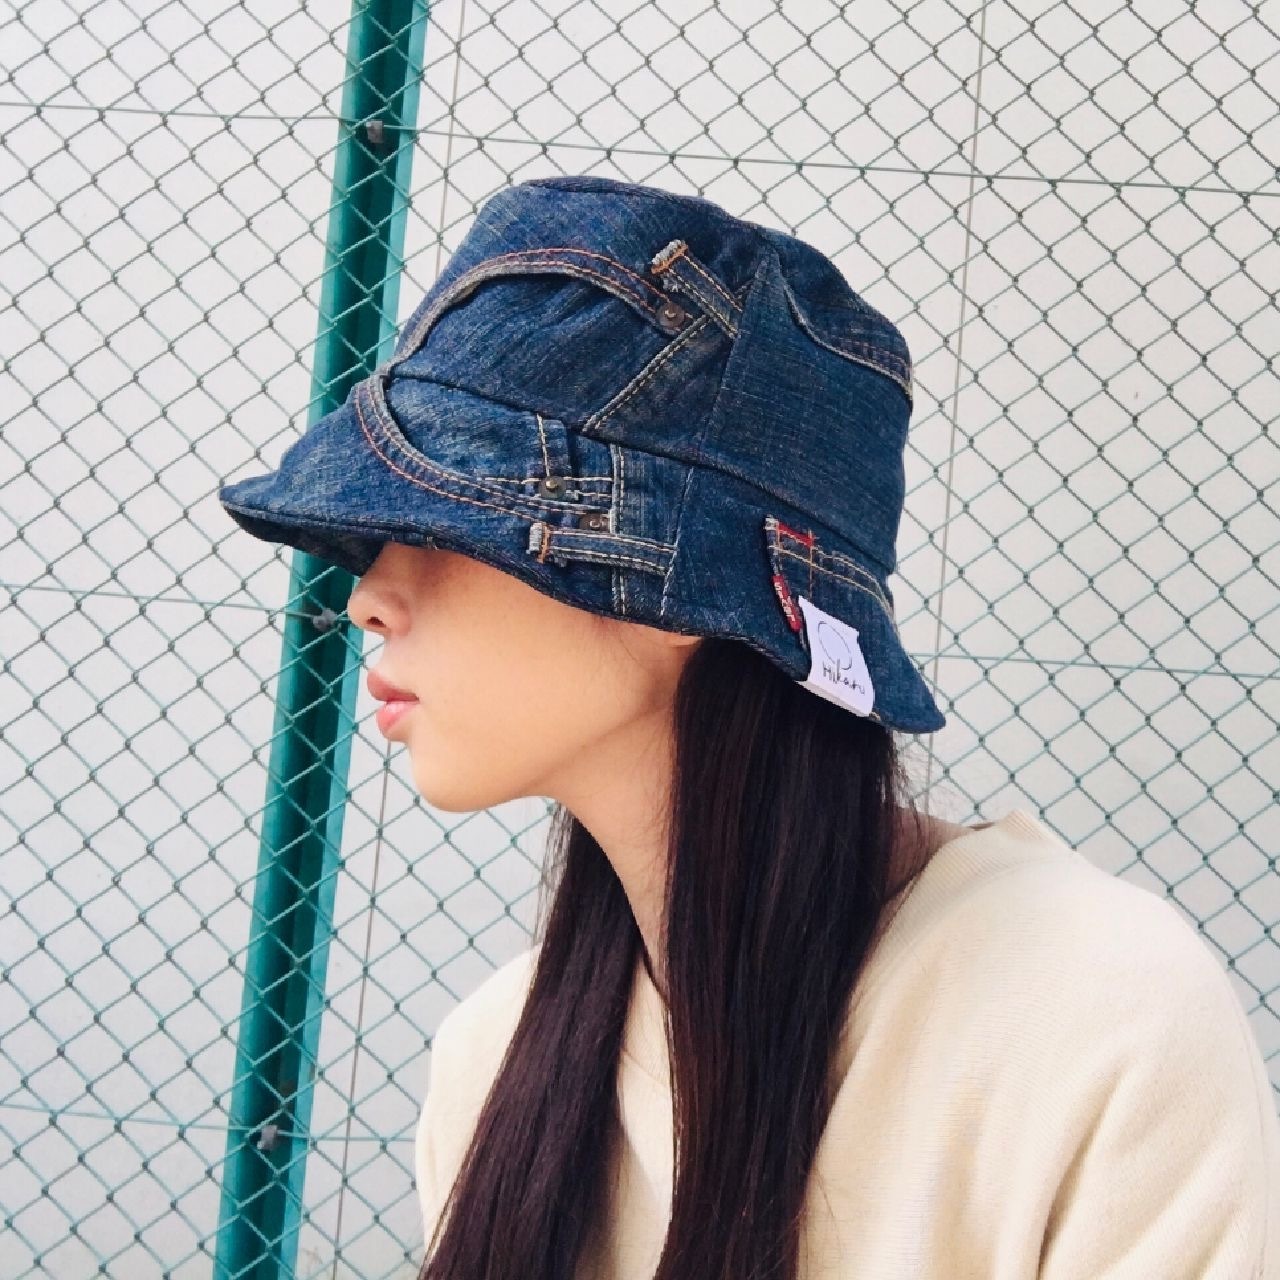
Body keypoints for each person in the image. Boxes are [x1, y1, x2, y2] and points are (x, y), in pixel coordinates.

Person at [220, 175, 1279, 1279]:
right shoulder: (495, 1057)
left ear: (684, 591)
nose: (367, 597)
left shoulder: (1095, 1016)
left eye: (442, 522)